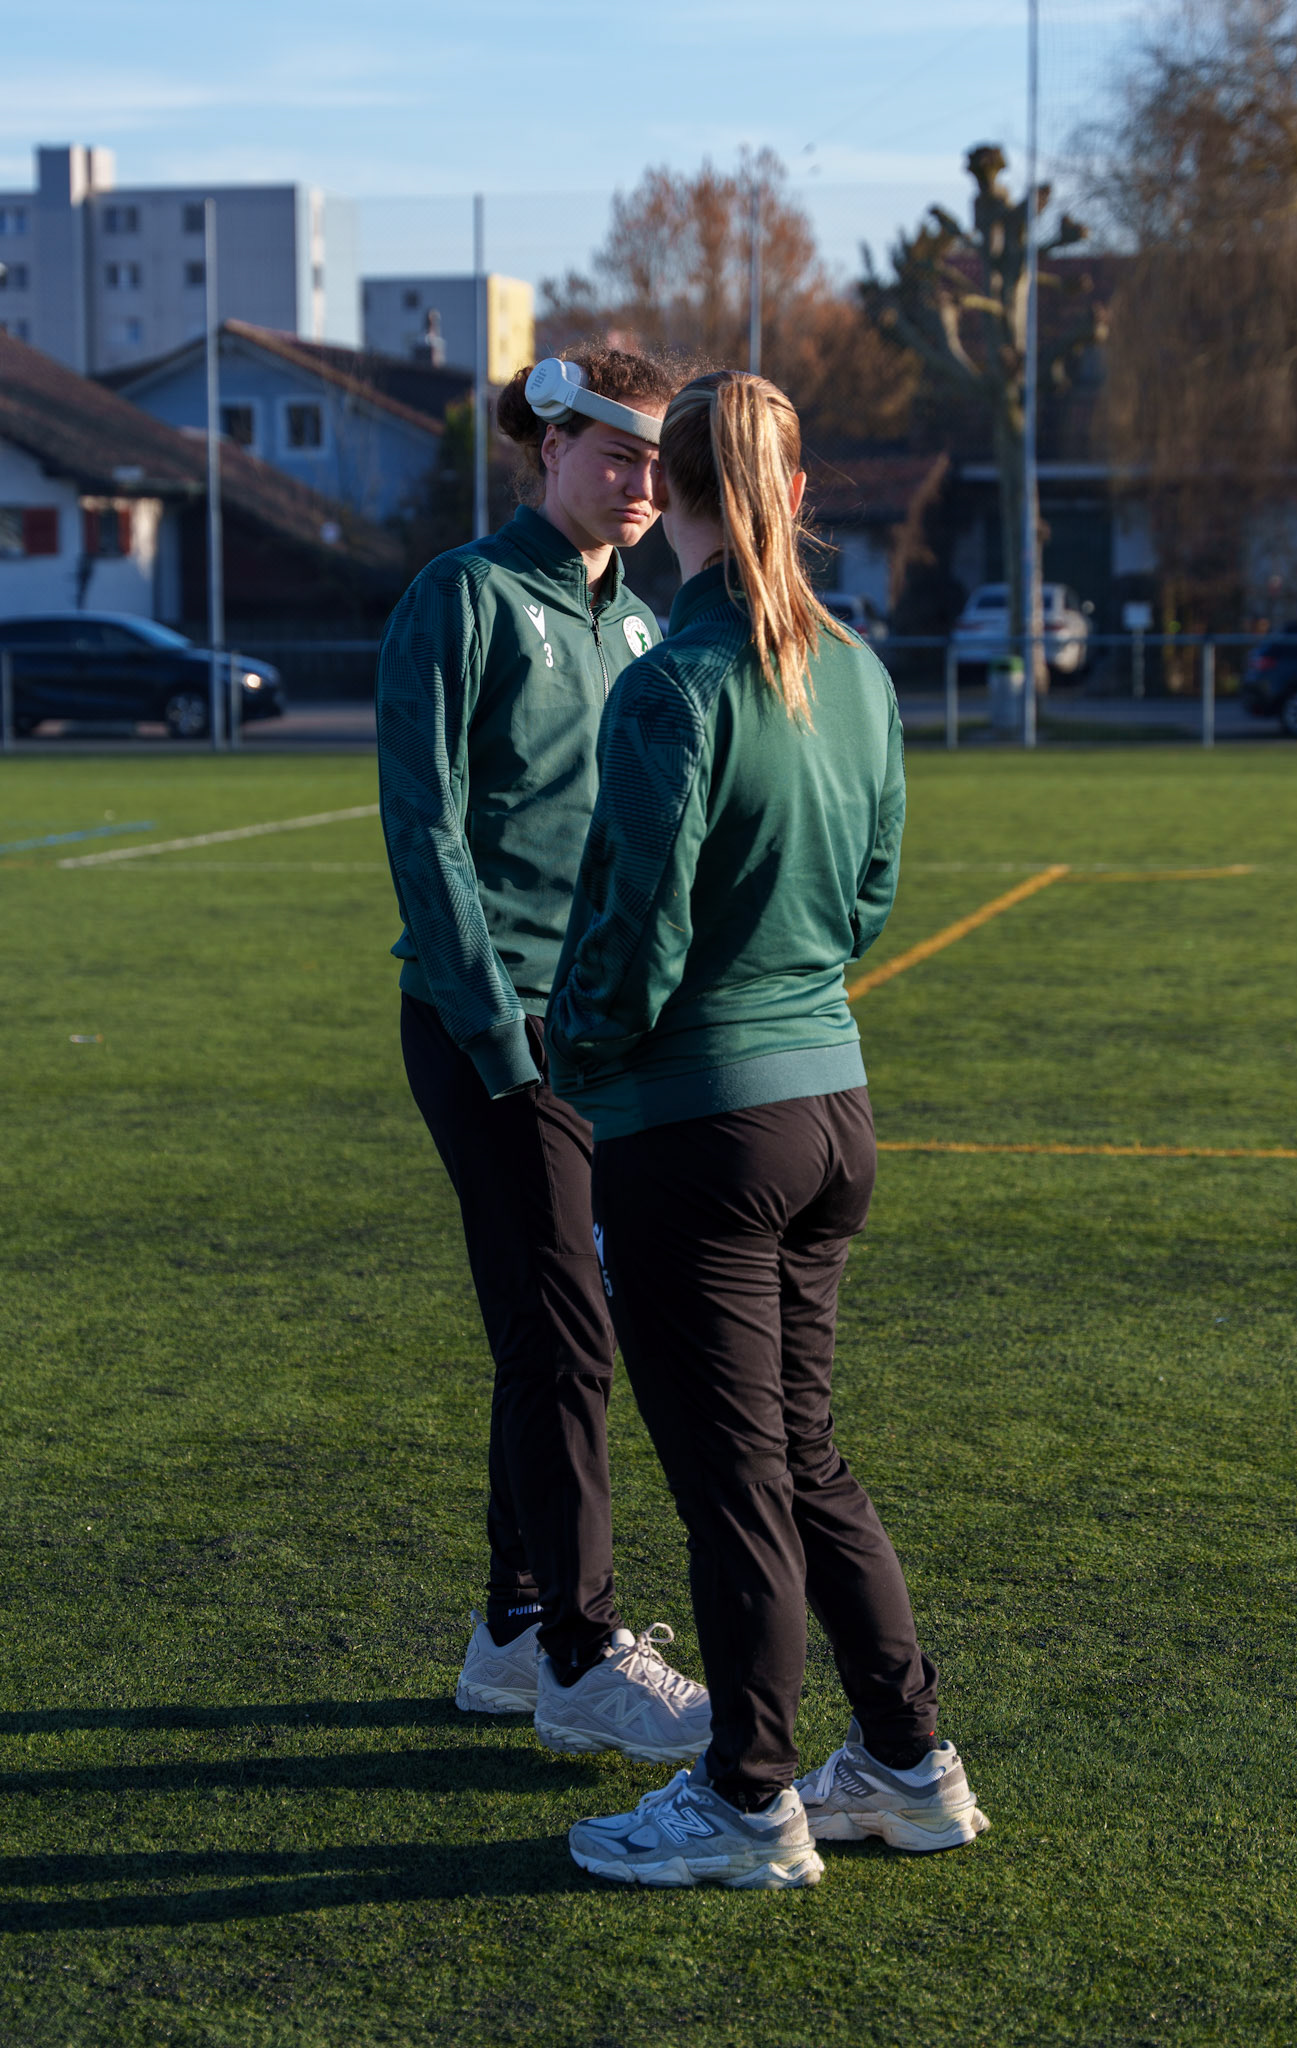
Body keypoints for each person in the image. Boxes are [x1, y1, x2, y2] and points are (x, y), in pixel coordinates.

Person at [545, 370, 990, 1887]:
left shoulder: (670, 683)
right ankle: (906, 1762)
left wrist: (574, 1047)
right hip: (831, 1110)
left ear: (661, 494)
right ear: (799, 494)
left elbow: (633, 935)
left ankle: (746, 1799)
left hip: (699, 1131)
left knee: (739, 1483)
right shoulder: (859, 673)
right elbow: (866, 897)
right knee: (802, 1459)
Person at [376, 347, 711, 1767]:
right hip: (491, 1029)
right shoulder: (460, 595)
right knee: (567, 1332)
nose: (640, 486)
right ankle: (579, 1652)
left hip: (595, 1033)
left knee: (556, 1328)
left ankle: (511, 1630)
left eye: (656, 464)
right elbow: (426, 825)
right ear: (550, 448)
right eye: (615, 456)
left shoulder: (638, 626)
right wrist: (494, 1023)